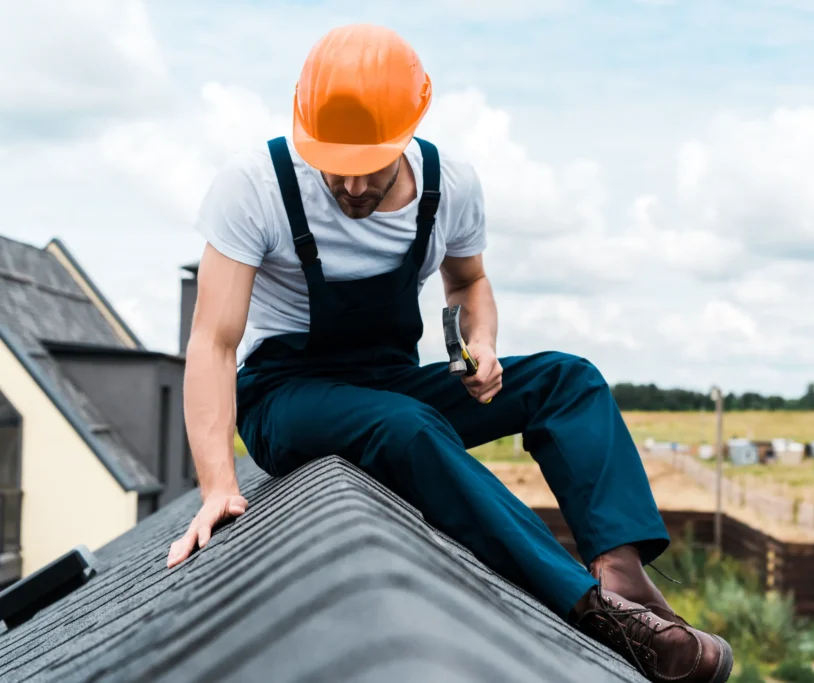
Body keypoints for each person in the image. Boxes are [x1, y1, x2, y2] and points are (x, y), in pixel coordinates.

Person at [166, 23, 732, 682]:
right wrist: (218, 486)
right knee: (406, 427)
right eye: (335, 167)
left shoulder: (449, 186)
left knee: (569, 381)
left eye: (368, 167)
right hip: (285, 396)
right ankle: (592, 611)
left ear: (409, 131)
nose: (350, 187)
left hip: (391, 381)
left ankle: (622, 576)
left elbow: (467, 283)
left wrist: (481, 344)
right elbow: (213, 341)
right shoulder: (254, 185)